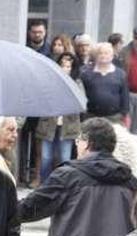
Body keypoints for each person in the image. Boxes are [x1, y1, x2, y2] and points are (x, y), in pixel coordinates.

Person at [36, 53, 82, 183]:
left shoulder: (77, 82)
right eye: (63, 65)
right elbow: (43, 99)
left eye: (68, 66)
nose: (65, 68)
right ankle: (44, 184)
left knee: (65, 158)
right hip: (49, 123)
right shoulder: (50, 81)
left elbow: (82, 102)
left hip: (68, 125)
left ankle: (64, 185)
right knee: (46, 157)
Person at [81, 42, 130, 123]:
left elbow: (125, 95)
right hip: (91, 116)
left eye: (106, 53)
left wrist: (124, 113)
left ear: (112, 56)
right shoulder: (86, 74)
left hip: (114, 117)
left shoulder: (120, 74)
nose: (103, 55)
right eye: (100, 53)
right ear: (96, 56)